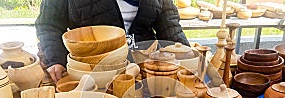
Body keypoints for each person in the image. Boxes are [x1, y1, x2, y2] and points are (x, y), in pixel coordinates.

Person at [35, 0, 190, 82]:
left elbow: (170, 26)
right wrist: (56, 60)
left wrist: (190, 56)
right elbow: (49, 24)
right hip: (92, 74)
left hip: (145, 74)